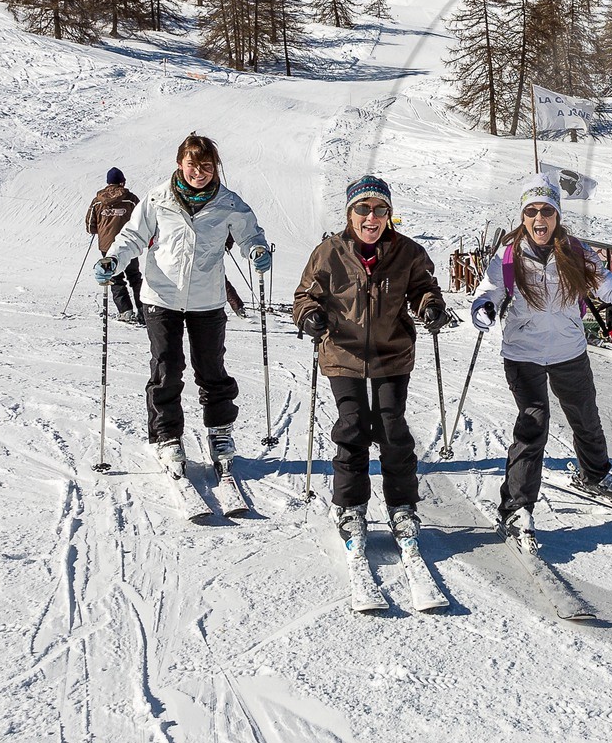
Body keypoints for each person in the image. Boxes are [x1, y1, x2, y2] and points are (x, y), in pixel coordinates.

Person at [470, 175, 612, 548]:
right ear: (523, 216)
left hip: (568, 351)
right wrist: (484, 308)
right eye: (531, 211)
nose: (539, 218)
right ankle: (516, 507)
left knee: (586, 418)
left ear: (557, 215)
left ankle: (595, 474)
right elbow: (489, 290)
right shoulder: (508, 255)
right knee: (533, 424)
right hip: (523, 354)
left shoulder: (577, 253)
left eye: (547, 211)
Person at [95, 134, 270, 477]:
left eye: (207, 166)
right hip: (161, 297)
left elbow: (251, 235)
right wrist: (114, 259)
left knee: (211, 369)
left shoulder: (228, 203)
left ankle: (219, 432)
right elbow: (131, 236)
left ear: (215, 167)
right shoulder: (158, 199)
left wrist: (258, 251)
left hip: (207, 299)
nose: (199, 172)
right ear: (180, 164)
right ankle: (167, 435)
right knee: (167, 368)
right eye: (192, 165)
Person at [294, 176, 446, 543]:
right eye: (363, 208)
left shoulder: (406, 251)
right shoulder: (328, 252)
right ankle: (350, 505)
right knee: (353, 426)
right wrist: (309, 315)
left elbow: (424, 287)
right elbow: (304, 295)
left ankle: (402, 505)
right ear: (350, 213)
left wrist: (431, 306)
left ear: (389, 214)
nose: (371, 217)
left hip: (391, 353)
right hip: (342, 353)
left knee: (392, 427)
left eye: (380, 209)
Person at [86, 167, 143, 325]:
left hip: (107, 245)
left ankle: (125, 311)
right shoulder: (130, 199)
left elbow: (90, 223)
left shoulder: (98, 201)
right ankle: (143, 310)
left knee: (115, 278)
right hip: (129, 243)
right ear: (122, 182)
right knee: (134, 277)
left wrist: (97, 230)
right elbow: (141, 218)